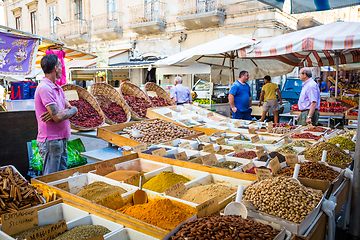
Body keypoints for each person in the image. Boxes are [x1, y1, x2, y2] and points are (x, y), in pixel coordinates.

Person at [34, 54, 78, 175]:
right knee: (51, 178)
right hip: (52, 140)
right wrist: (73, 111)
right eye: (60, 65)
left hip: (60, 139)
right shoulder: (45, 88)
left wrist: (64, 112)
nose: (61, 67)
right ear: (55, 68)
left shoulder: (57, 88)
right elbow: (58, 116)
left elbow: (67, 108)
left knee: (61, 176)